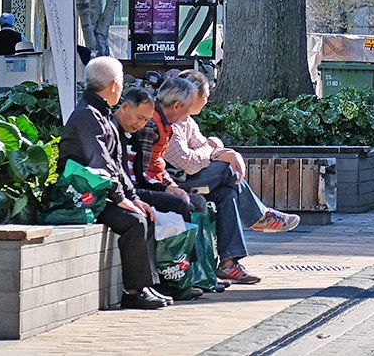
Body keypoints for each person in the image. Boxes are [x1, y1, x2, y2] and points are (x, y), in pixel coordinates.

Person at [56, 56, 170, 310]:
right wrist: (122, 199)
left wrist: (134, 198)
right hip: (80, 197)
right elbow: (100, 164)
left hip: (98, 193)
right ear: (114, 86)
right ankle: (134, 291)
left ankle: (147, 285)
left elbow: (116, 166)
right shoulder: (87, 116)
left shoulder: (100, 115)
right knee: (134, 221)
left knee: (143, 214)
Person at [134, 75, 263, 285]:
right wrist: (169, 187)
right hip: (156, 184)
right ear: (177, 106)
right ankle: (193, 275)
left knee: (225, 193)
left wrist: (170, 185)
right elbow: (153, 168)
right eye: (186, 110)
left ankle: (221, 266)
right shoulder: (154, 123)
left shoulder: (173, 122)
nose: (186, 117)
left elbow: (157, 165)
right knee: (214, 181)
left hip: (168, 181)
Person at [165, 70, 299, 235]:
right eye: (205, 95)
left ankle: (232, 252)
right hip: (174, 182)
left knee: (227, 194)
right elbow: (190, 163)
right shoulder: (171, 124)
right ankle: (260, 216)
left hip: (187, 176)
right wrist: (213, 149)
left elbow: (207, 146)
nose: (207, 99)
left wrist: (229, 153)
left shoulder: (187, 121)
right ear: (192, 96)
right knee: (227, 168)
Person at [113, 86, 210, 300]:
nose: (140, 124)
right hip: (132, 188)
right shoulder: (148, 126)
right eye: (140, 118)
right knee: (179, 205)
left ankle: (190, 272)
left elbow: (151, 166)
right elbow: (143, 169)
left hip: (139, 185)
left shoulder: (154, 125)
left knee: (199, 200)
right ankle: (178, 277)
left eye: (144, 119)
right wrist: (161, 189)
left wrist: (168, 186)